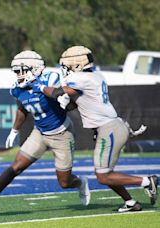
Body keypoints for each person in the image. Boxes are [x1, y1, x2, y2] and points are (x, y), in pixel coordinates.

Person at [0, 50, 90, 213]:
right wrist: (14, 130)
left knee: (64, 182)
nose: (17, 75)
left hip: (62, 133)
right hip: (39, 133)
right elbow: (22, 109)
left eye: (21, 70)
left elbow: (69, 101)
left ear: (35, 69)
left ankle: (81, 182)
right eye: (16, 71)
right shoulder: (17, 89)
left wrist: (61, 97)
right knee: (15, 167)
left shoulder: (50, 79)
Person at [38, 45, 158, 212]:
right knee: (107, 173)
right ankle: (130, 202)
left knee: (103, 175)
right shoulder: (96, 75)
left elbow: (57, 91)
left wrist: (39, 86)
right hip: (111, 127)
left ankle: (146, 181)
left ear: (77, 65)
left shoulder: (80, 79)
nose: (64, 69)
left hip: (109, 128)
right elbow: (74, 103)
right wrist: (64, 103)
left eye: (67, 65)